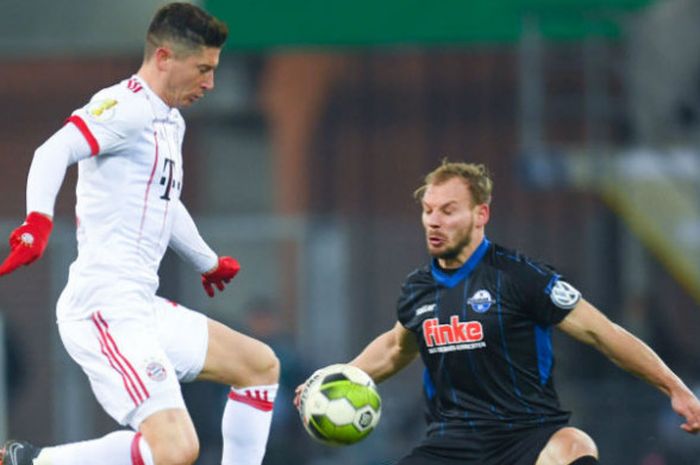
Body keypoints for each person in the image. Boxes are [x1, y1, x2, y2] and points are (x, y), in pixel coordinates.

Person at [0, 4, 279, 465]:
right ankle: (35, 462)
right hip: (103, 309)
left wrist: (205, 260)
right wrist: (36, 222)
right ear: (165, 57)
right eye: (203, 69)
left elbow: (163, 203)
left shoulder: (170, 119)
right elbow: (53, 150)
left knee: (259, 366)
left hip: (139, 305)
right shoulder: (126, 106)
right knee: (178, 449)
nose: (210, 83)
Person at [295, 160, 700, 465]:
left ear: (480, 215)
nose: (433, 222)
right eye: (428, 210)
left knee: (575, 446)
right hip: (451, 443)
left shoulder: (522, 277)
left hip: (527, 436)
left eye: (448, 211)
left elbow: (603, 334)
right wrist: (332, 380)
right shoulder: (418, 290)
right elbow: (393, 349)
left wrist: (674, 387)